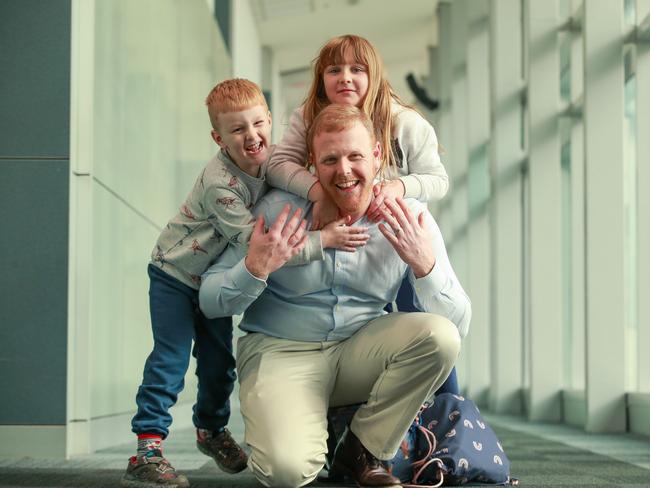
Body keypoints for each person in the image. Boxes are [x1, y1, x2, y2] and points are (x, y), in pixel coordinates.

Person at [199, 104, 471, 488]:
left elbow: (458, 326)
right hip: (280, 350)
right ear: (312, 162)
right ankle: (300, 424)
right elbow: (210, 300)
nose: (343, 171)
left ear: (377, 155)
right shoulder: (274, 210)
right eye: (330, 159)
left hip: (361, 349)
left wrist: (426, 266)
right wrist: (255, 268)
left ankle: (361, 448)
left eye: (355, 156)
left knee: (438, 338)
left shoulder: (410, 217)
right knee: (287, 472)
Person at [123, 80, 368, 488]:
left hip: (212, 279)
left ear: (269, 121)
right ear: (219, 138)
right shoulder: (222, 183)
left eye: (258, 124)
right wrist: (323, 240)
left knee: (219, 367)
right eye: (238, 130)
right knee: (171, 360)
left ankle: (211, 431)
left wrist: (320, 193)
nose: (251, 136)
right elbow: (257, 248)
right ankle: (147, 450)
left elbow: (292, 177)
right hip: (175, 276)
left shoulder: (267, 157)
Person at [266, 33, 459, 393]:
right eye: (334, 70)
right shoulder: (308, 116)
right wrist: (317, 190)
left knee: (426, 322)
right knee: (362, 330)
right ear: (321, 78)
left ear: (374, 76)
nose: (345, 78)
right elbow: (278, 163)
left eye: (357, 69)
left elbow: (437, 179)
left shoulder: (405, 122)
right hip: (347, 239)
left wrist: (397, 187)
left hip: (395, 242)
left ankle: (445, 413)